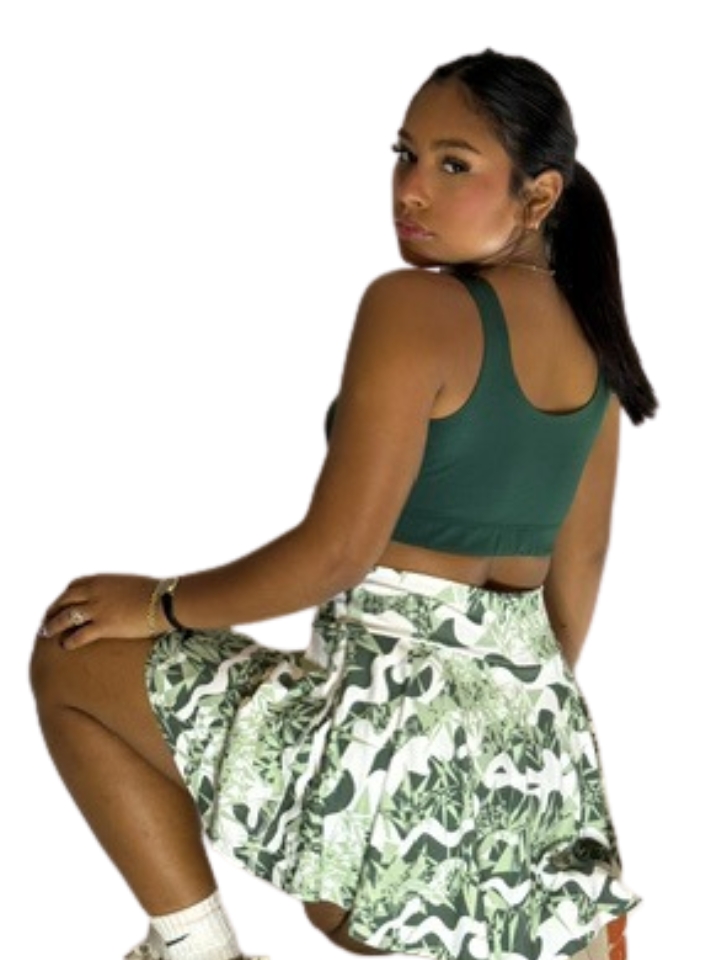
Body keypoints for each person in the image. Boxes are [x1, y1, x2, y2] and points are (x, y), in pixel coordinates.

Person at [31, 48, 656, 960]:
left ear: (540, 195)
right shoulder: (595, 350)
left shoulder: (415, 308)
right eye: (404, 154)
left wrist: (158, 604)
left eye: (454, 164)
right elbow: (576, 582)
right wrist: (487, 761)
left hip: (375, 801)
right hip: (529, 810)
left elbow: (337, 554)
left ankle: (197, 950)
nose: (412, 188)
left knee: (73, 647)